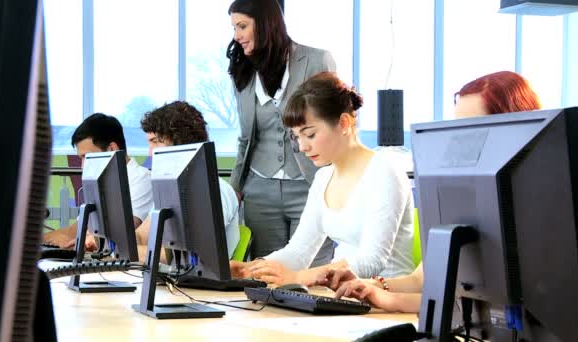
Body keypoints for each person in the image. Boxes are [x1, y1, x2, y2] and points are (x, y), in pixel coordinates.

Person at [317, 70, 542, 313]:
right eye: (457, 129)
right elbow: (421, 280)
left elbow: (485, 306)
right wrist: (371, 286)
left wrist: (389, 300)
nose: (461, 139)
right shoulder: (465, 195)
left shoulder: (540, 205)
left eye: (473, 128)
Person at [230, 72, 415, 286]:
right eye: (297, 136)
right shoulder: (324, 177)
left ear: (344, 123)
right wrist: (251, 269)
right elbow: (299, 251)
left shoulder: (385, 171)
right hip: (342, 295)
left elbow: (372, 261)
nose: (302, 146)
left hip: (386, 298)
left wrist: (300, 277)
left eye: (310, 134)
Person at [227, 0, 336, 266]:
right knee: (267, 275)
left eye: (242, 26)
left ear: (265, 24)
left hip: (310, 185)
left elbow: (335, 127)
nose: (236, 36)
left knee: (313, 274)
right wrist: (236, 189)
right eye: (233, 28)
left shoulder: (317, 60)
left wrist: (338, 181)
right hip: (260, 190)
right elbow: (246, 139)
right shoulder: (243, 71)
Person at [135, 101, 240, 261]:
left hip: (199, 285)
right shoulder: (171, 190)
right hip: (167, 281)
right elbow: (141, 237)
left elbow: (190, 256)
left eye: (156, 141)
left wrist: (130, 252)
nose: (150, 153)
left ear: (180, 141)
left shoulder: (216, 189)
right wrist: (109, 242)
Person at [43, 113, 153, 248]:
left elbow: (123, 232)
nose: (83, 166)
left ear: (112, 149)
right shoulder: (101, 183)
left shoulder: (142, 180)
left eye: (87, 157)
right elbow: (76, 230)